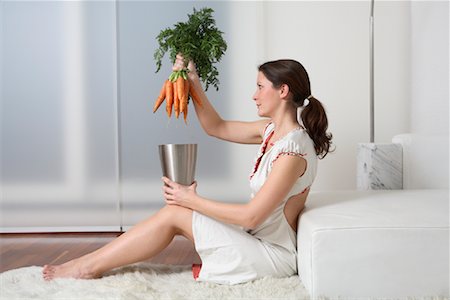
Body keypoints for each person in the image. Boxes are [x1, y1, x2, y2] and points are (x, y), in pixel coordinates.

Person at [42, 56, 333, 284]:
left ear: (283, 90)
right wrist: (191, 80)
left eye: (259, 87)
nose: (253, 95)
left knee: (175, 212)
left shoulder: (293, 150)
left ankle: (85, 267)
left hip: (270, 256)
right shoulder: (271, 132)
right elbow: (215, 127)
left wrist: (191, 200)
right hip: (253, 239)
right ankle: (88, 264)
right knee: (175, 212)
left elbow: (252, 215)